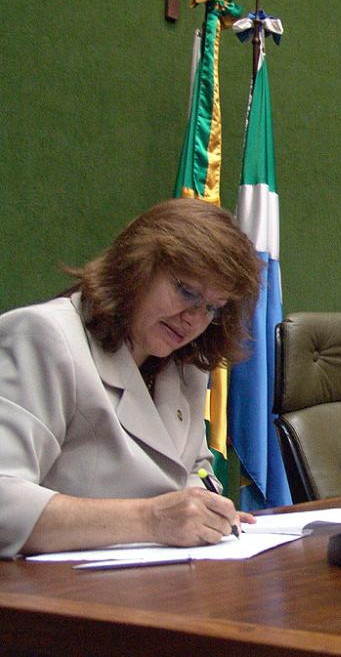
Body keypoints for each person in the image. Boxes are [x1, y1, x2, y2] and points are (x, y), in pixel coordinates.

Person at [0, 199, 261, 558]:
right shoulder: (44, 337)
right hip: (53, 586)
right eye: (187, 291)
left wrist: (208, 511)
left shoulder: (185, 363)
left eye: (212, 308)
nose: (194, 319)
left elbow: (194, 470)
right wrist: (150, 520)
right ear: (136, 266)